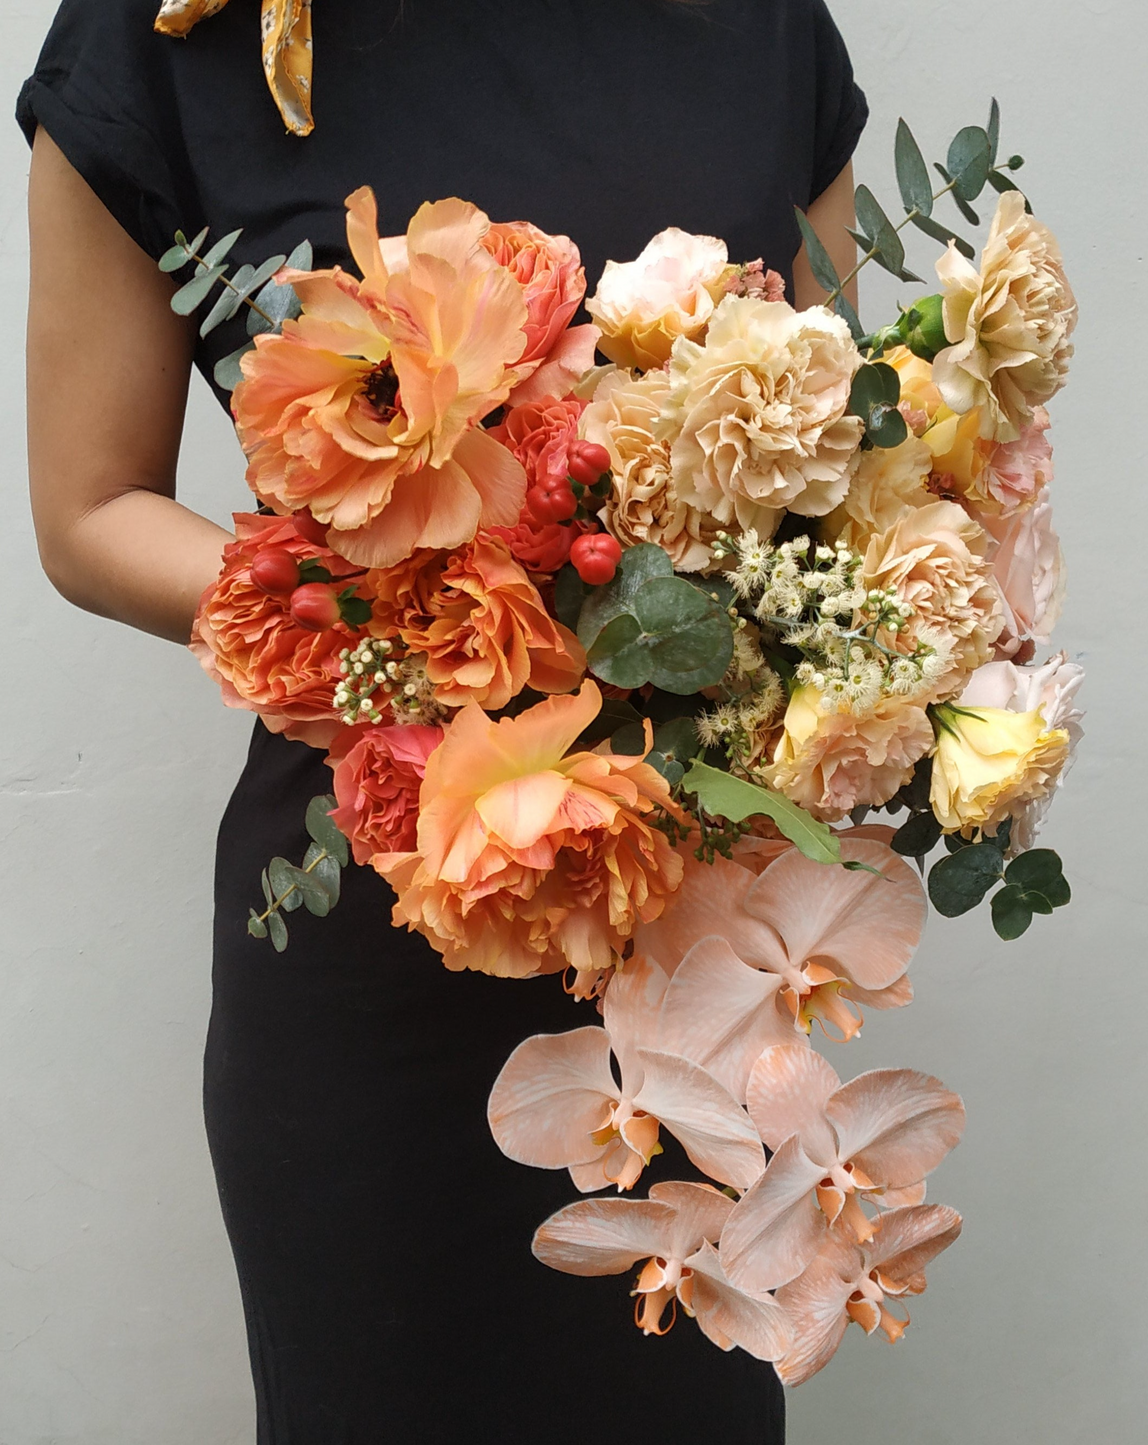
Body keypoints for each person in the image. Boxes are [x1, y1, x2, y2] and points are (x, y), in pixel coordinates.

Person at [18, 0, 868, 1439]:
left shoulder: (765, 26)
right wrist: (412, 621)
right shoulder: (168, 34)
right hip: (372, 939)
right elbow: (88, 509)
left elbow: (842, 446)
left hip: (689, 960)